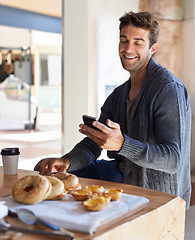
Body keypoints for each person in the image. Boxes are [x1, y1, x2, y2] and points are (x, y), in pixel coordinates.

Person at [35, 11, 192, 209]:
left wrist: (122, 144)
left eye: (138, 42)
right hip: (120, 171)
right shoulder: (119, 94)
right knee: (49, 174)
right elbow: (95, 143)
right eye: (124, 40)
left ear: (153, 48)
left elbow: (172, 160)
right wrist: (66, 161)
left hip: (154, 188)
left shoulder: (168, 89)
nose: (128, 48)